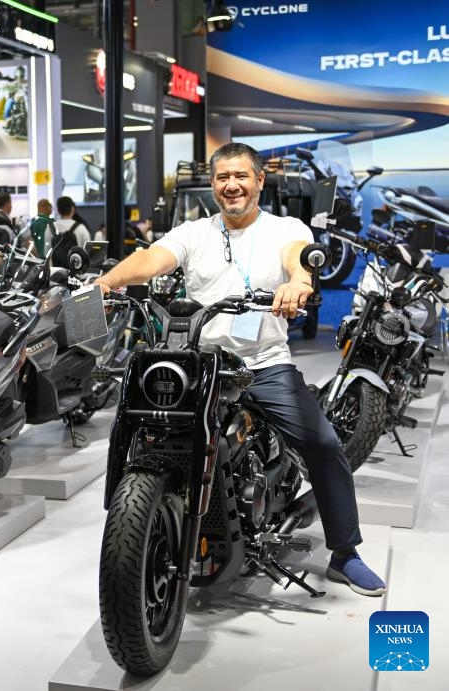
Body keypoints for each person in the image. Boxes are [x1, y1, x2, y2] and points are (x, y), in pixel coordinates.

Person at [93, 142, 385, 597]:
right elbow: (152, 259)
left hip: (263, 364)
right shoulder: (194, 232)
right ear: (213, 185)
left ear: (258, 181)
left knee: (323, 443)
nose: (231, 186)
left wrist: (297, 283)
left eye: (240, 177)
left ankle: (346, 552)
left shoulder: (286, 227)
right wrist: (108, 282)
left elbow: (297, 259)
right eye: (222, 178)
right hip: (203, 362)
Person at [48, 196, 91, 268]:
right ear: (72, 209)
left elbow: (46, 253)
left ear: (58, 210)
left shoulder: (49, 228)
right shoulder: (81, 228)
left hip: (54, 274)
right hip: (76, 274)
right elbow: (88, 253)